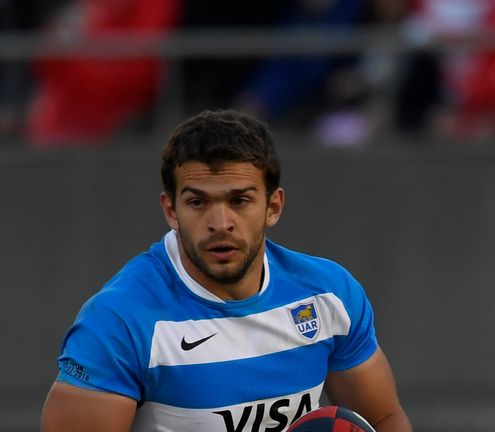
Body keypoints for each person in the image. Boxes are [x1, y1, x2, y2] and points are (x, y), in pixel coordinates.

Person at [40, 109, 412, 432]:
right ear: (171, 210)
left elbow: (383, 421)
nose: (220, 223)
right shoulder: (118, 322)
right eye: (198, 202)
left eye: (240, 200)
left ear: (273, 206)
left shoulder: (329, 295)